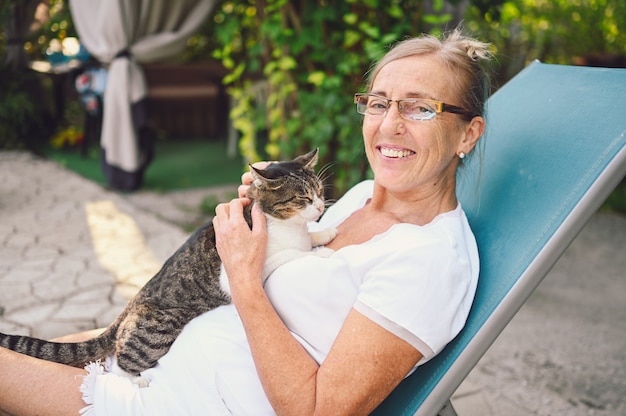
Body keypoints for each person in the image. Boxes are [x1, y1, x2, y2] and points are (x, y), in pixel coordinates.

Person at [0, 28, 492, 415]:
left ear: (467, 134)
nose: (389, 124)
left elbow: (318, 410)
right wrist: (263, 223)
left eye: (420, 108)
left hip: (169, 402)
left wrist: (242, 274)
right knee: (51, 349)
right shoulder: (364, 197)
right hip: (162, 362)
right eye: (379, 102)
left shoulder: (428, 261)